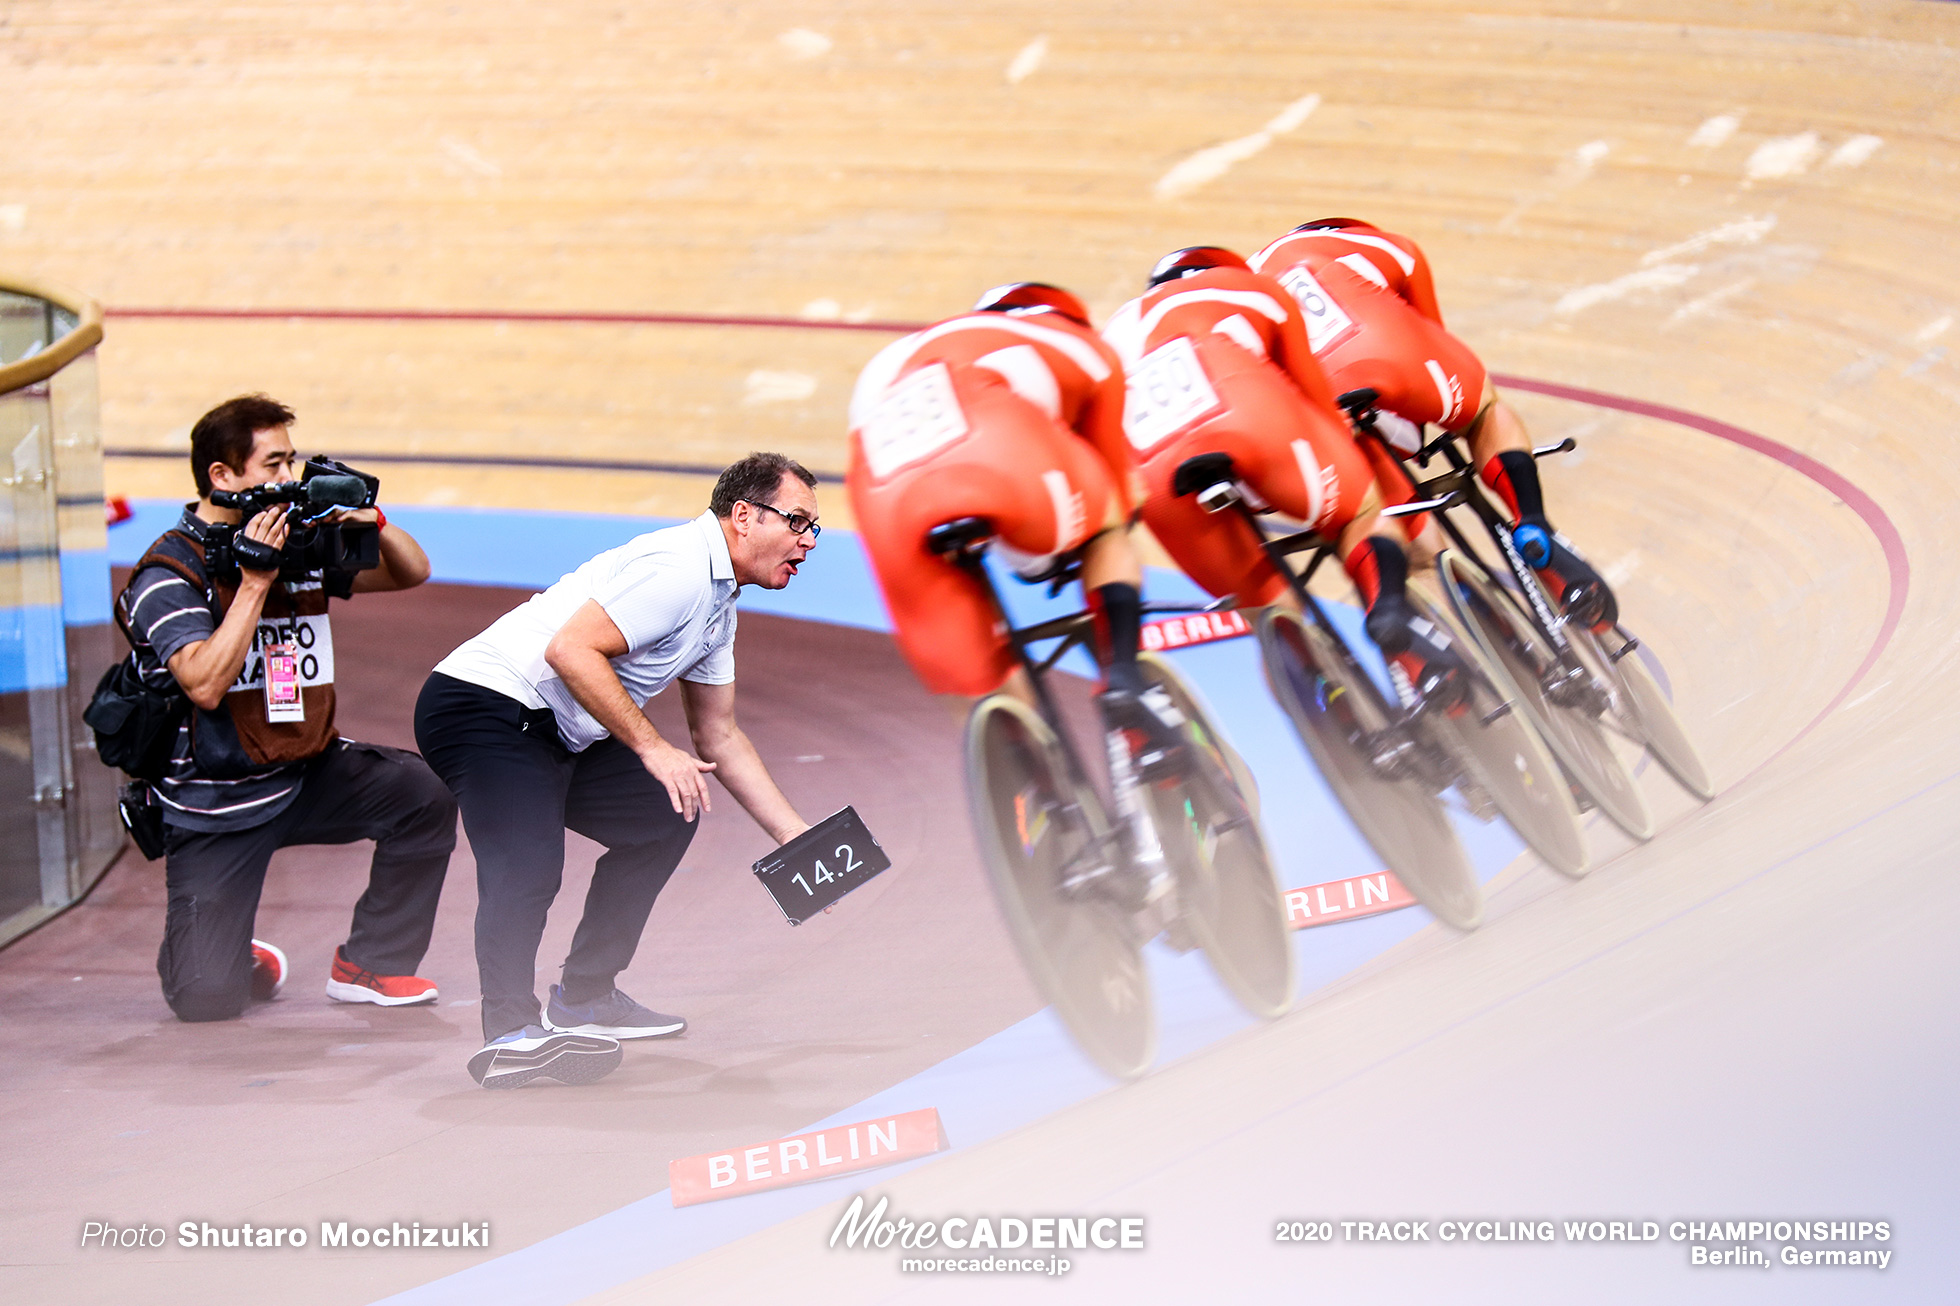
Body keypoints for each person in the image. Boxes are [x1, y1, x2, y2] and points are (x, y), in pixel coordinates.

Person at [415, 453, 818, 1089]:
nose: (807, 542)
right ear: (744, 516)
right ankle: (512, 1033)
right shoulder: (680, 569)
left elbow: (720, 732)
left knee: (663, 813)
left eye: (813, 529)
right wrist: (653, 748)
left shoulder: (719, 604)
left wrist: (799, 842)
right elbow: (569, 649)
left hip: (554, 728)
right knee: (527, 861)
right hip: (484, 707)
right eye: (798, 522)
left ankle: (586, 997)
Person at [116, 394, 456, 1023]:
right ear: (223, 476)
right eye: (273, 464)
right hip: (214, 800)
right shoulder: (167, 573)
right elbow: (205, 685)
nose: (287, 480)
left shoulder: (300, 540)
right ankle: (224, 945)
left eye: (291, 462)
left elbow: (410, 572)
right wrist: (254, 580)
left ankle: (371, 962)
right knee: (205, 1000)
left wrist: (367, 514)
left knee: (424, 793)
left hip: (306, 770)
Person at [845, 283, 1191, 867]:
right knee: (1110, 526)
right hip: (1004, 461)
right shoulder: (1079, 345)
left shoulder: (888, 367)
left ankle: (1053, 806)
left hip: (891, 507)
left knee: (975, 689)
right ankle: (1125, 678)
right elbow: (1123, 488)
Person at [1100, 247, 1468, 704]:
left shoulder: (1113, 338)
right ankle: (1397, 629)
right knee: (1365, 519)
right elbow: (1317, 404)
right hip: (1249, 427)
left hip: (1162, 480)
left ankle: (1332, 723)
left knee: (1271, 615)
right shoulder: (1254, 289)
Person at [1248, 218, 1617, 627]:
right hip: (1392, 357)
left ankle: (1452, 642)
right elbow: (1432, 332)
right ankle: (1530, 519)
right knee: (1480, 414)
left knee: (1379, 509)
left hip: (1325, 407)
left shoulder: (1243, 289)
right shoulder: (1371, 243)